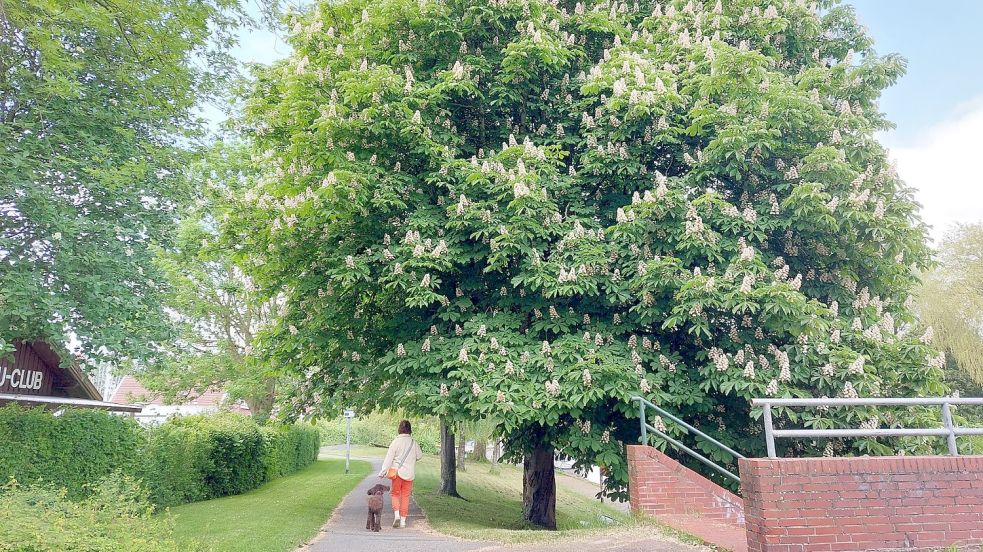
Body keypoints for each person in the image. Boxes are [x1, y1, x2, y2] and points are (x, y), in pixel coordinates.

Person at [378, 419, 424, 528]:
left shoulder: (396, 442)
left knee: (395, 494)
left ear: (400, 429)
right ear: (409, 430)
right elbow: (419, 456)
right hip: (409, 474)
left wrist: (383, 471)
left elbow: (389, 459)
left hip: (397, 473)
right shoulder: (413, 442)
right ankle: (403, 521)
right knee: (405, 496)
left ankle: (397, 515)